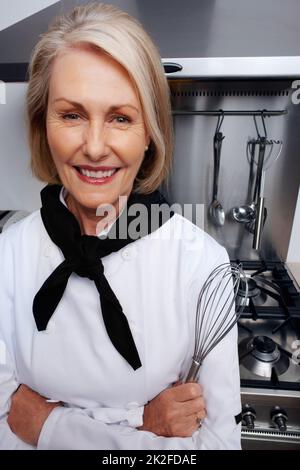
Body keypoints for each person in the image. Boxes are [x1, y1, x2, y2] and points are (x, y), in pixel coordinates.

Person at [0, 2, 241, 450]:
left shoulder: (202, 264)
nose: (94, 147)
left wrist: (49, 427)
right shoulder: (6, 256)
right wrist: (143, 424)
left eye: (120, 118)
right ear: (42, 125)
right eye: (72, 115)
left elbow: (218, 445)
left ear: (150, 132)